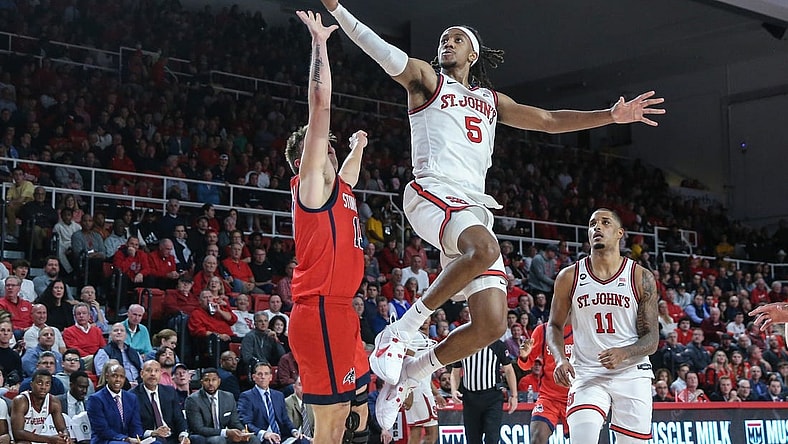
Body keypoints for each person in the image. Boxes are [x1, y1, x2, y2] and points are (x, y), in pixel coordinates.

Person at [318, 0, 664, 430]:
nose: (447, 42)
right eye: (444, 38)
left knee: (491, 324)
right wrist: (337, 8)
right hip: (432, 192)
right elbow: (380, 48)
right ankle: (399, 333)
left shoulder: (489, 100)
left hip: (474, 206)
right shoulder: (427, 81)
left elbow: (549, 119)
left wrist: (609, 116)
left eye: (457, 39)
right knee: (484, 247)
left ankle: (411, 374)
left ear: (472, 55)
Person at [285, 10, 371, 444]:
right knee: (332, 422)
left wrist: (358, 146)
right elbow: (320, 106)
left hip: (340, 311)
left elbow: (351, 174)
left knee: (352, 417)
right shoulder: (313, 184)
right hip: (318, 308)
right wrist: (320, 44)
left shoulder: (341, 187)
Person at [547, 209, 659, 443]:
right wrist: (560, 359)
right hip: (587, 372)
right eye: (592, 224)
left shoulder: (640, 277)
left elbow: (652, 339)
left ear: (620, 233)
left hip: (632, 373)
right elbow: (554, 326)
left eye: (605, 223)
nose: (597, 227)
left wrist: (624, 352)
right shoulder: (569, 276)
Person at [449, 340, 517, 444]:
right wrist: (454, 390)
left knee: (492, 438)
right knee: (473, 439)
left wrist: (514, 395)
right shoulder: (462, 345)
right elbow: (455, 371)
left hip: (492, 397)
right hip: (470, 398)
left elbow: (508, 370)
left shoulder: (497, 344)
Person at [518, 323, 572, 444]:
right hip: (549, 397)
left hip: (577, 396)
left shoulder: (582, 326)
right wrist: (524, 356)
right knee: (537, 438)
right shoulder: (542, 330)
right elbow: (525, 365)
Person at [184, 368, 259, 444]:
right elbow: (198, 428)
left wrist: (242, 431)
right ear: (202, 382)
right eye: (207, 380)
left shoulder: (228, 397)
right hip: (204, 436)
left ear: (219, 381)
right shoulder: (193, 400)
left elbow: (234, 422)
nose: (211, 383)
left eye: (214, 380)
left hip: (224, 435)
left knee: (252, 439)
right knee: (219, 440)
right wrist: (225, 432)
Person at [238, 362, 306, 444]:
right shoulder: (246, 396)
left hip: (281, 437)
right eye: (259, 374)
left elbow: (285, 419)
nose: (263, 377)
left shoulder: (278, 395)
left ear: (271, 377)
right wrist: (264, 434)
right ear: (253, 377)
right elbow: (246, 423)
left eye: (266, 374)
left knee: (304, 441)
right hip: (262, 438)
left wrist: (293, 431)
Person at [131, 360, 190, 444]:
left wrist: (182, 435)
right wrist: (153, 432)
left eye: (156, 371)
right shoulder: (132, 396)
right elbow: (133, 425)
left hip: (172, 436)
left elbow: (179, 418)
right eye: (148, 370)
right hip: (149, 439)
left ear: (160, 374)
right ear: (141, 374)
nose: (153, 374)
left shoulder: (170, 391)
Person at [86, 363, 144, 444]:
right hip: (105, 440)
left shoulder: (131, 398)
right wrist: (126, 439)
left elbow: (136, 424)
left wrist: (137, 438)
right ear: (107, 377)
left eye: (122, 377)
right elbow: (102, 429)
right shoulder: (95, 399)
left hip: (128, 440)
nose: (118, 379)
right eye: (114, 376)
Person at [11, 369, 71, 444]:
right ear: (31, 384)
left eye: (47, 384)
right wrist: (50, 439)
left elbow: (62, 428)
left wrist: (65, 436)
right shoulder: (21, 401)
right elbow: (18, 433)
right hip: (18, 440)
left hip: (39, 440)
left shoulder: (53, 402)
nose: (43, 387)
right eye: (40, 383)